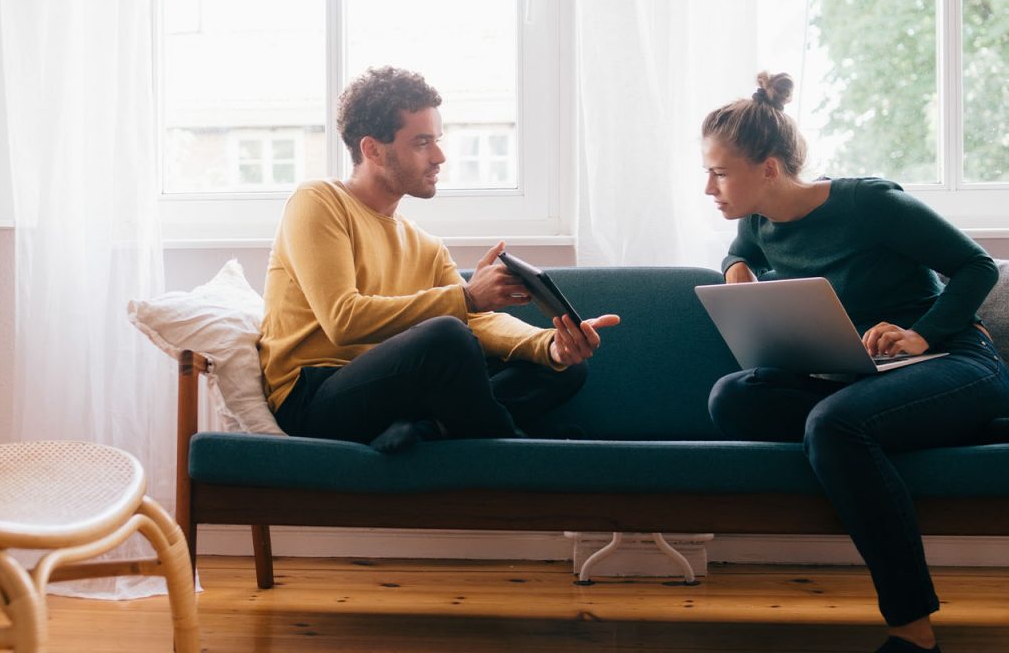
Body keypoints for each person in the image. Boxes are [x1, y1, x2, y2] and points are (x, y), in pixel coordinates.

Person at [701, 72, 1009, 653]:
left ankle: (912, 630)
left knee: (833, 425)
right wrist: (732, 269)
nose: (709, 188)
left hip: (955, 363)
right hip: (864, 379)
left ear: (768, 168)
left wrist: (921, 335)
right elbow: (740, 251)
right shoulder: (758, 219)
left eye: (719, 172)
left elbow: (978, 266)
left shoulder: (870, 204)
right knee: (732, 398)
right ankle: (876, 432)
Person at [259, 66, 620, 453]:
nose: (439, 156)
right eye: (421, 143)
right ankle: (516, 448)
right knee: (446, 335)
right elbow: (342, 319)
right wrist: (466, 298)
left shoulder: (424, 244)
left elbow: (476, 321)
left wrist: (550, 345)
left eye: (437, 140)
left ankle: (431, 429)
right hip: (315, 399)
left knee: (562, 370)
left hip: (392, 394)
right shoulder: (319, 202)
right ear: (373, 150)